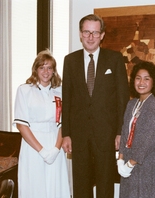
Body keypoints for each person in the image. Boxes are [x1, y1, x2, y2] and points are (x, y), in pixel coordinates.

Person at [61, 14, 130, 198]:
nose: (90, 37)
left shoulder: (115, 59)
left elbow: (122, 99)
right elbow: (66, 100)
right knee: (81, 187)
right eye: (86, 32)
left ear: (102, 35)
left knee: (105, 186)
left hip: (106, 136)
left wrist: (120, 132)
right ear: (80, 34)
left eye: (95, 32)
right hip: (79, 136)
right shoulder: (70, 61)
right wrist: (66, 134)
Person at [13, 49, 70, 198]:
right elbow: (21, 125)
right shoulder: (24, 90)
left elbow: (62, 124)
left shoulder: (60, 92)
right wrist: (42, 151)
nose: (46, 71)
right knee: (34, 186)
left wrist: (56, 150)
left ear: (54, 71)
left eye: (49, 67)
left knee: (55, 187)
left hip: (54, 145)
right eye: (42, 67)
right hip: (33, 146)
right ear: (36, 69)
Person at [117, 61, 155, 198]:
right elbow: (124, 132)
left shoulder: (154, 106)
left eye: (146, 78)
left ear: (153, 82)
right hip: (128, 160)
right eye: (138, 78)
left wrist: (130, 164)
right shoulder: (132, 103)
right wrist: (120, 159)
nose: (141, 82)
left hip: (146, 164)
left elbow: (149, 140)